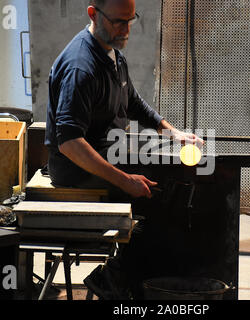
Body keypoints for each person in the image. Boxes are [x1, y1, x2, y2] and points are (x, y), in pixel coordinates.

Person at [45, 0, 203, 299]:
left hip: (107, 153)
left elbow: (133, 103)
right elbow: (69, 142)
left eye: (131, 20)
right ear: (93, 13)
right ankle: (115, 278)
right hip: (76, 169)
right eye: (119, 21)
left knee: (168, 181)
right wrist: (124, 179)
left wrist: (173, 133)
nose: (126, 29)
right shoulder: (81, 66)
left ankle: (132, 278)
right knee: (161, 194)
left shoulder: (113, 56)